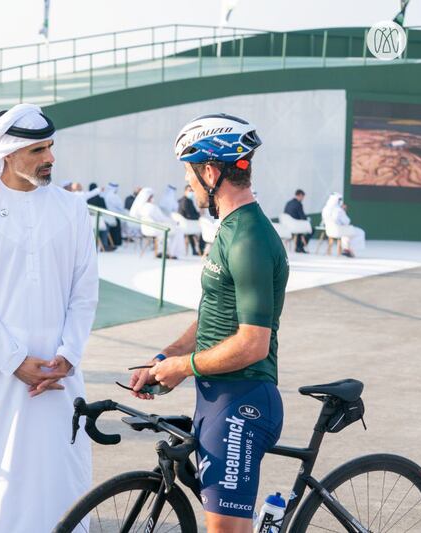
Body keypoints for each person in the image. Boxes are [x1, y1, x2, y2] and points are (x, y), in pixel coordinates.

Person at [0, 104, 99, 532]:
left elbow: (85, 292)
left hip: (57, 373)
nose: (49, 158)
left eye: (50, 147)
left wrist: (66, 356)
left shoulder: (72, 209)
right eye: (37, 150)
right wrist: (14, 360)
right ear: (6, 154)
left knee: (56, 478)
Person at [130, 113, 288, 533]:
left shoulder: (249, 238)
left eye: (189, 173)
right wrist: (166, 358)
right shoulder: (230, 230)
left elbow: (252, 344)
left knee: (225, 531)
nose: (188, 184)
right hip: (217, 398)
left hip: (242, 402)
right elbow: (211, 319)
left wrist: (183, 367)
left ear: (212, 172)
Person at [129, 187, 185, 259]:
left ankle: (161, 252)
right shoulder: (151, 207)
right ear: (149, 197)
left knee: (166, 232)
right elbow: (162, 219)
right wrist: (174, 222)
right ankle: (173, 253)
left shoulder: (141, 207)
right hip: (156, 229)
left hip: (146, 230)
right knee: (178, 230)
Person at [321, 193, 365, 258]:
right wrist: (343, 210)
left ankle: (346, 249)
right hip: (338, 231)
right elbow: (347, 221)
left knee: (347, 233)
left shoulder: (325, 209)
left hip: (329, 231)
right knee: (360, 232)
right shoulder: (338, 210)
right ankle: (349, 250)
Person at [87, 182, 118, 249]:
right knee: (105, 227)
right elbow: (105, 210)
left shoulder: (87, 199)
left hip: (89, 222)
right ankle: (104, 245)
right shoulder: (101, 199)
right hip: (99, 221)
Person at [178, 184, 205, 255]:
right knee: (205, 229)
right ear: (185, 191)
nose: (191, 192)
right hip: (187, 224)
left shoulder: (187, 200)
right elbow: (190, 215)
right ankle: (201, 249)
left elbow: (192, 213)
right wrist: (199, 215)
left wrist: (198, 214)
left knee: (192, 233)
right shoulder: (185, 201)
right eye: (190, 191)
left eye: (192, 191)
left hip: (188, 223)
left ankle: (194, 250)